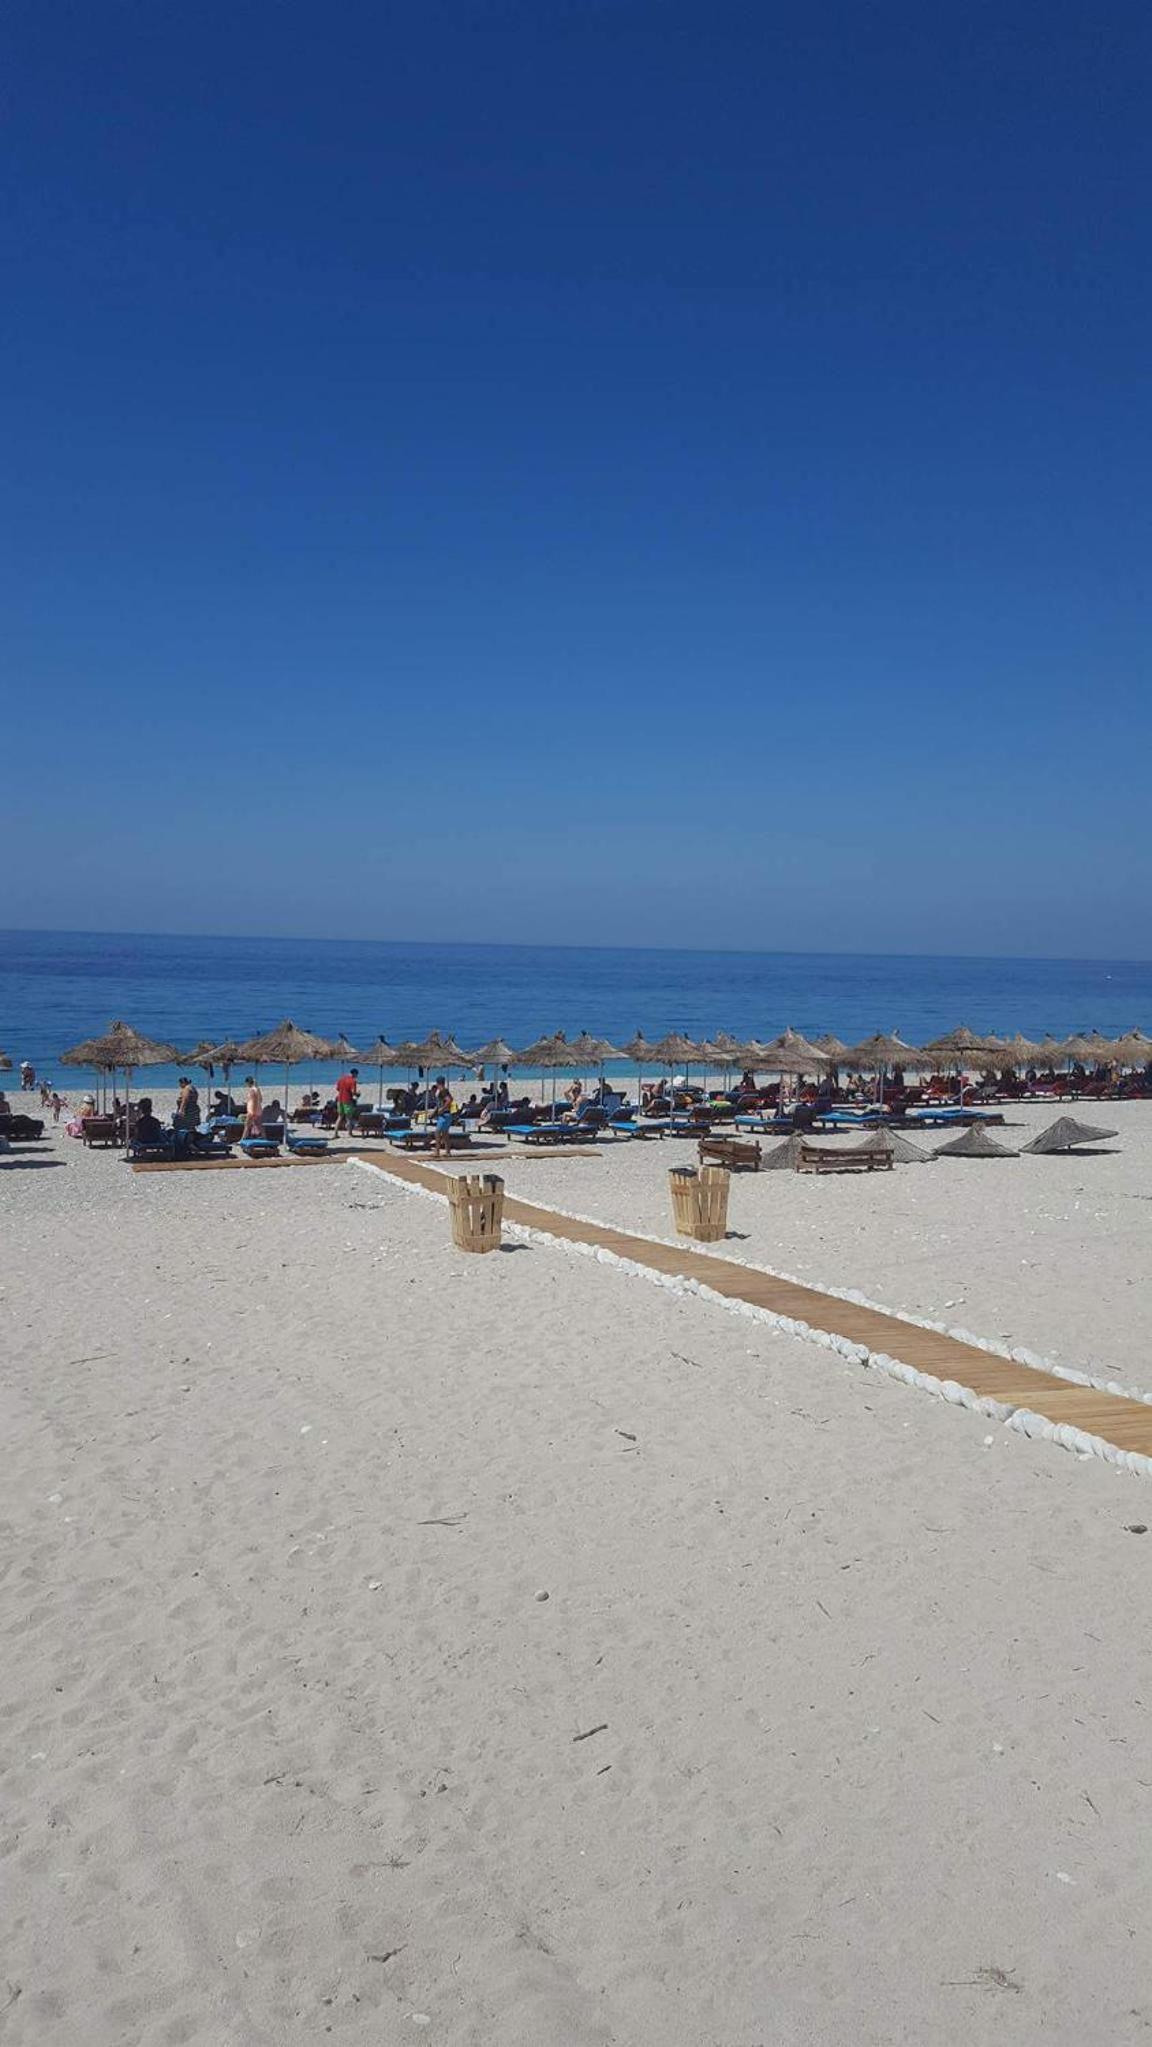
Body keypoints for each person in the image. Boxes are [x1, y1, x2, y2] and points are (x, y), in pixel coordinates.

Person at [334, 1065, 360, 1137]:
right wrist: (358, 1094)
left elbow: (337, 1089)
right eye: (356, 1075)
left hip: (339, 1100)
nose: (356, 1076)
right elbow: (353, 1092)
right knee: (349, 1118)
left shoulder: (341, 1079)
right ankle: (349, 1133)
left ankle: (335, 1133)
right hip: (347, 1100)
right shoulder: (353, 1081)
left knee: (340, 1117)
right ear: (354, 1074)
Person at [432, 1077, 454, 1157]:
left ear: (438, 1083)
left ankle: (437, 1152)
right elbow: (450, 1099)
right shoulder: (445, 1090)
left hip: (444, 1115)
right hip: (447, 1115)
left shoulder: (443, 1091)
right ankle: (448, 1152)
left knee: (437, 1133)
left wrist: (442, 1109)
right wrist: (434, 1112)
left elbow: (449, 1100)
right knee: (445, 1134)